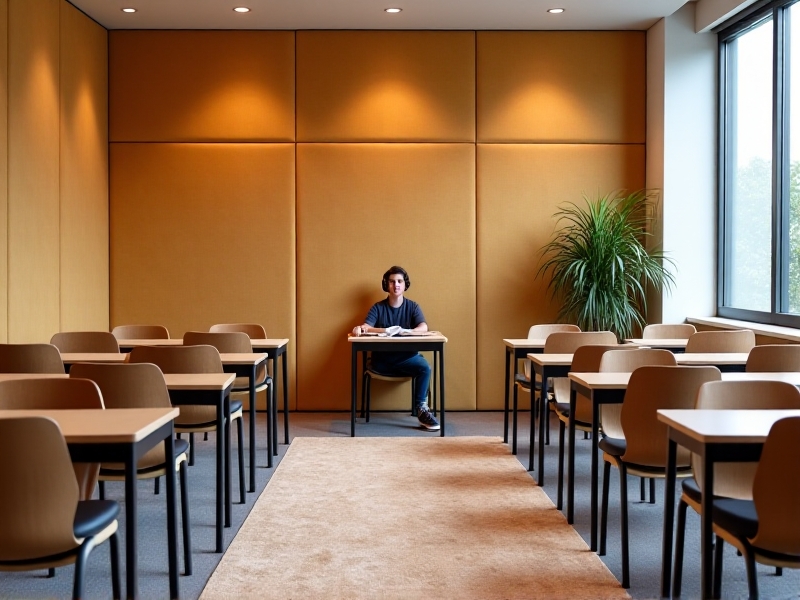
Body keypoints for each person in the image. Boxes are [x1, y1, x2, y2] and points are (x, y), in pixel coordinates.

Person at [352, 266, 439, 431]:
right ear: (386, 284)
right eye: (392, 282)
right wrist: (370, 329)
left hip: (407, 359)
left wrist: (408, 331)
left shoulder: (413, 307)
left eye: (399, 281)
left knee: (425, 367)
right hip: (381, 362)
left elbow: (423, 327)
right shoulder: (378, 307)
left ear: (405, 285)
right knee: (420, 365)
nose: (396, 285)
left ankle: (422, 409)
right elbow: (366, 326)